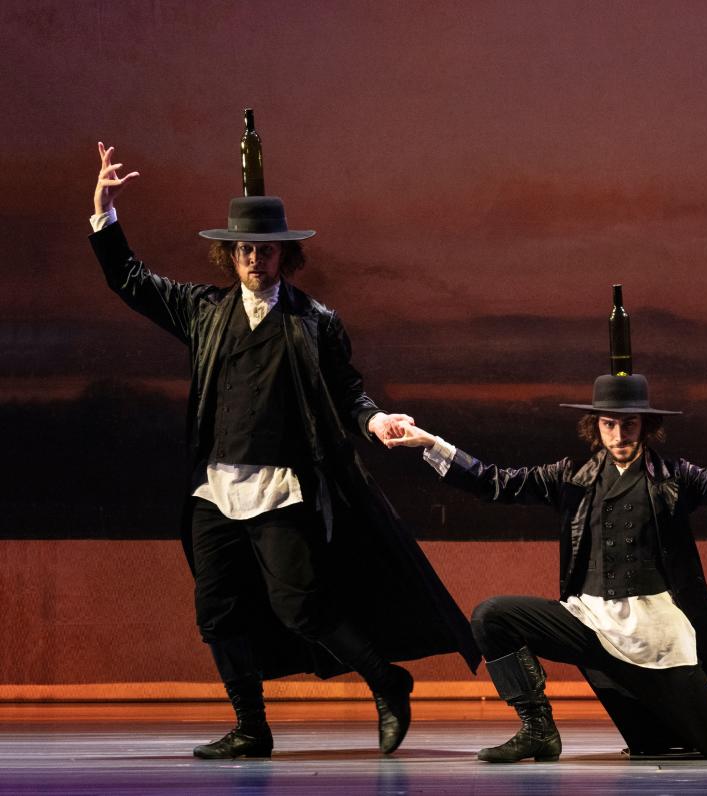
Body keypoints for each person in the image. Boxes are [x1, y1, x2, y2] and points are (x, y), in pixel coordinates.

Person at [88, 143, 478, 759]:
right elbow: (131, 281)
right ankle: (251, 726)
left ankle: (386, 680)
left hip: (281, 486)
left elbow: (348, 390)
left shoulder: (314, 321)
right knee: (216, 612)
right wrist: (105, 214)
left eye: (265, 249)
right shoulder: (204, 311)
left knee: (301, 608)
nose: (253, 259)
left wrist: (374, 421)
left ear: (285, 255)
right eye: (243, 249)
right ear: (230, 253)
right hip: (216, 485)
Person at [387, 370, 707, 761]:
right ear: (596, 427)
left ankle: (698, 718)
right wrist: (432, 444)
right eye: (610, 425)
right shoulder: (571, 476)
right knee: (491, 615)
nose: (620, 436)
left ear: (645, 428)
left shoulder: (675, 477)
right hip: (589, 622)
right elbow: (495, 483)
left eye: (629, 426)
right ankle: (538, 729)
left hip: (657, 634)